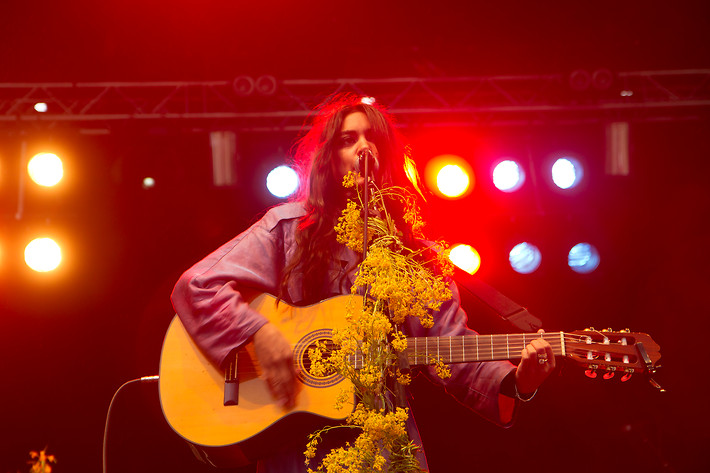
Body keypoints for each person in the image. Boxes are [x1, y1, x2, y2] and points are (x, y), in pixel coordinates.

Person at [170, 94, 556, 472]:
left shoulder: (414, 254)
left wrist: (518, 382)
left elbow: (451, 349)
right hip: (298, 452)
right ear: (328, 157)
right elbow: (197, 285)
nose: (364, 147)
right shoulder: (288, 228)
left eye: (373, 138)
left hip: (385, 449)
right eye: (348, 139)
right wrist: (259, 335)